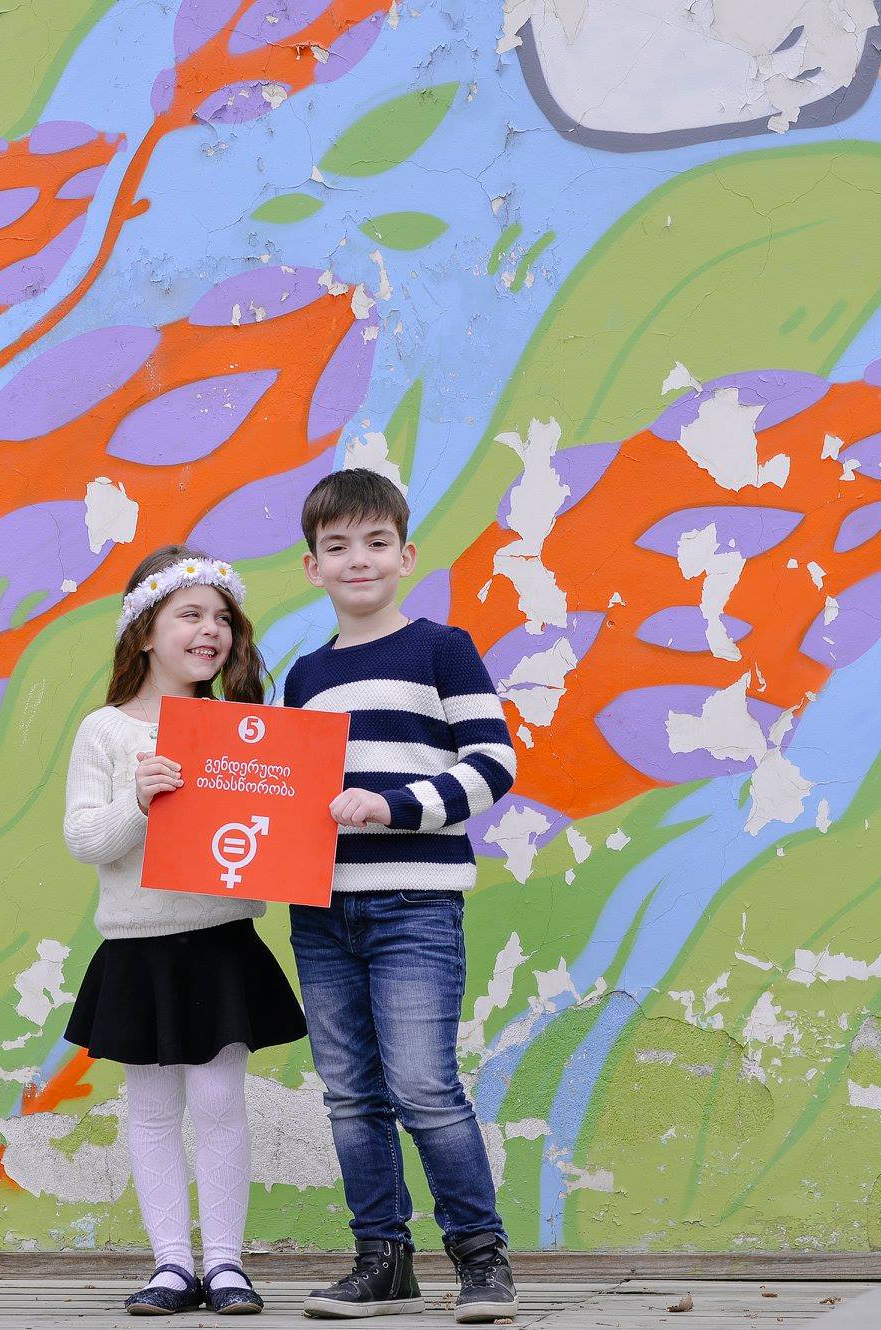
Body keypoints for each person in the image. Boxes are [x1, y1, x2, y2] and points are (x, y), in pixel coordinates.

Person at [281, 470, 521, 1323]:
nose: (359, 559)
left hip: (415, 905)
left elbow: (493, 763)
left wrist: (396, 806)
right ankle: (381, 1262)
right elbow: (287, 794)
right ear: (312, 566)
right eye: (338, 546)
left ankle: (481, 1260)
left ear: (406, 555)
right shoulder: (304, 676)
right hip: (320, 912)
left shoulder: (441, 649)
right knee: (350, 1094)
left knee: (423, 1086)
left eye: (376, 542)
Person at [62, 545, 307, 1317]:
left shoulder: (241, 732)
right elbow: (85, 840)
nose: (211, 631)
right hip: (138, 949)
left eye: (222, 618)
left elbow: (266, 836)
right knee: (151, 1109)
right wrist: (139, 801)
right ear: (143, 633)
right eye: (190, 615)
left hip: (220, 945)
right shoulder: (105, 732)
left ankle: (226, 1264)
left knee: (219, 1100)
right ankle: (172, 1264)